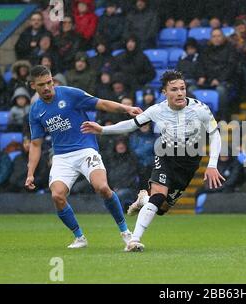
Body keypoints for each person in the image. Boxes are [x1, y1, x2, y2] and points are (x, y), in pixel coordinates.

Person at [81, 70, 225, 252]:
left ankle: (144, 199)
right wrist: (102, 129)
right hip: (165, 156)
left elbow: (215, 135)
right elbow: (132, 125)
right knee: (158, 196)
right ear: (164, 92)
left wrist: (212, 165)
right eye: (174, 89)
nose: (180, 93)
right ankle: (134, 240)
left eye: (182, 88)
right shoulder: (157, 110)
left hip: (189, 163)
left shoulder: (200, 109)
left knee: (162, 207)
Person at [25, 65, 143, 250]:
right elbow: (36, 144)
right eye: (42, 85)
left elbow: (101, 103)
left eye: (49, 82)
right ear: (33, 85)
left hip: (85, 150)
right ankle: (79, 237)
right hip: (62, 157)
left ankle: (126, 233)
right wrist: (30, 173)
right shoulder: (35, 110)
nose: (47, 87)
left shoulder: (70, 94)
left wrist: (126, 108)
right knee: (57, 196)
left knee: (102, 187)